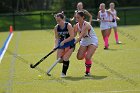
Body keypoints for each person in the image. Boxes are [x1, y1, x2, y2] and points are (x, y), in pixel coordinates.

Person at [74, 11, 98, 76]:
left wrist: (74, 43)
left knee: (87, 57)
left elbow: (81, 35)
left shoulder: (86, 24)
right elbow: (73, 35)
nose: (77, 19)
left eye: (78, 18)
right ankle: (88, 56)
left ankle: (87, 72)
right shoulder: (76, 25)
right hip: (84, 42)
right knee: (79, 57)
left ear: (83, 17)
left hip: (92, 41)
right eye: (76, 18)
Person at [54, 12, 75, 77]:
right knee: (59, 60)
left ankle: (63, 73)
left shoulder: (68, 25)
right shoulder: (56, 27)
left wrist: (64, 41)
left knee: (65, 58)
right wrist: (55, 46)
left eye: (59, 20)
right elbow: (57, 38)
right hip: (61, 44)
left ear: (63, 19)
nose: (58, 22)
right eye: (57, 21)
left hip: (70, 43)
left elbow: (72, 36)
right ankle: (66, 62)